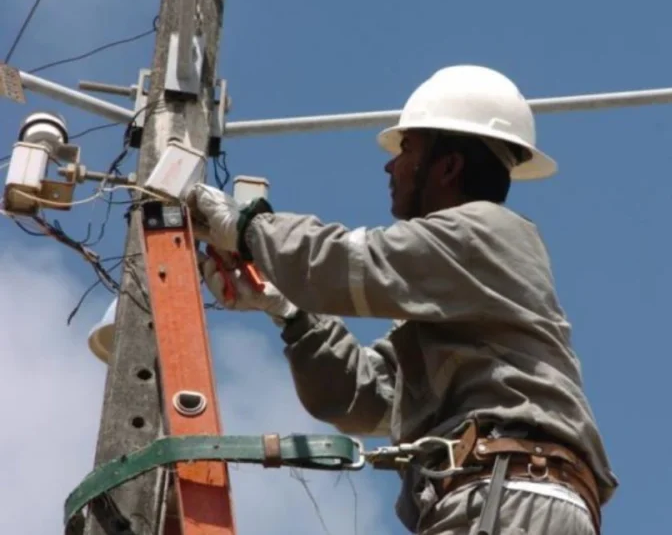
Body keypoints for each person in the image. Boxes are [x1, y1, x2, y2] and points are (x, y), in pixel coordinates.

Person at [187, 64, 618, 534]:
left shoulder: (484, 233)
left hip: (508, 491)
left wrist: (249, 228)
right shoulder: (450, 291)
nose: (391, 165)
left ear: (448, 166)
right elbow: (365, 399)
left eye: (407, 148)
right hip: (499, 494)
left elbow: (349, 261)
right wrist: (287, 311)